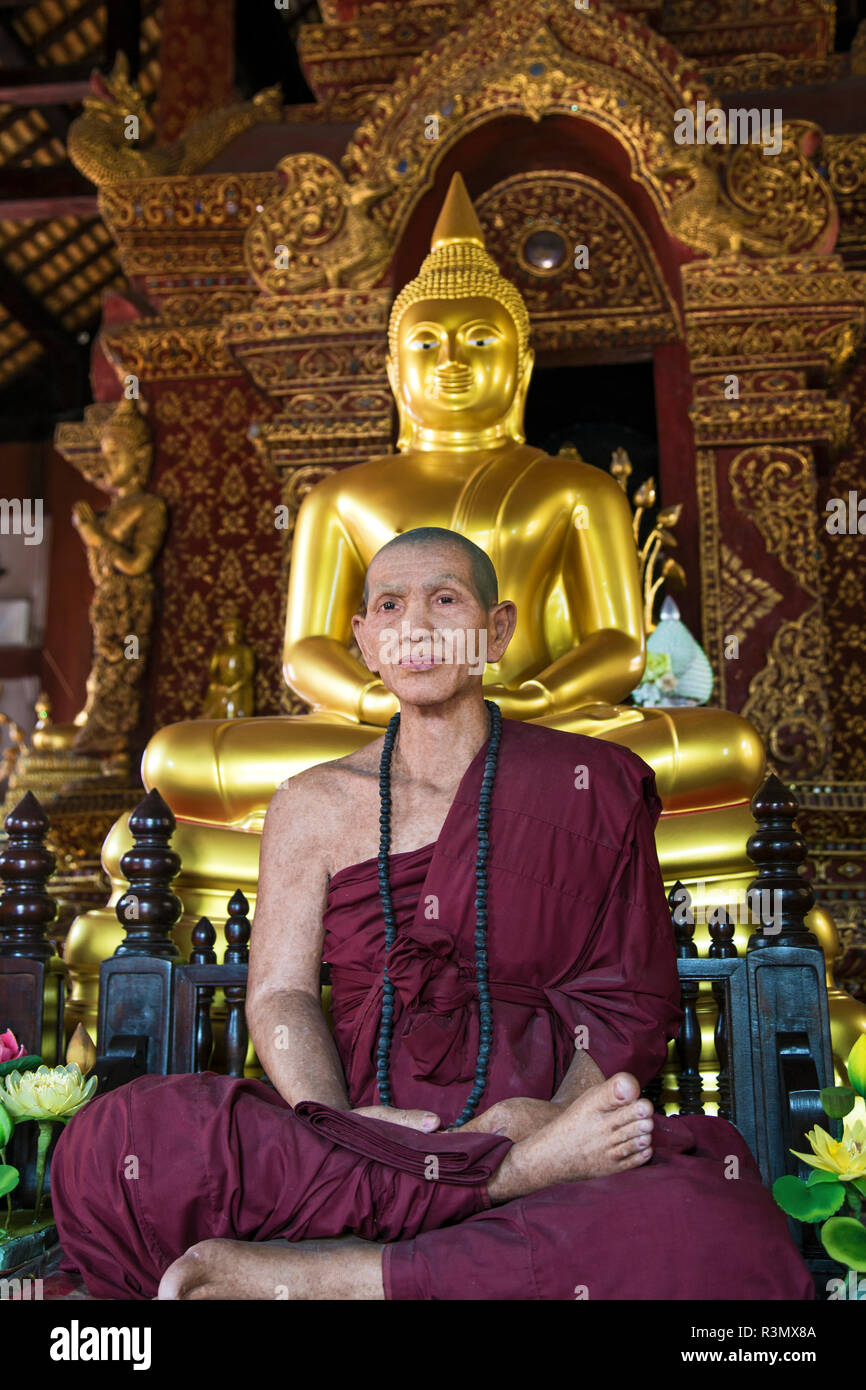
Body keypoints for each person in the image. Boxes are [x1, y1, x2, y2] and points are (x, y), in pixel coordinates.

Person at [50, 528, 813, 1300]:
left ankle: (337, 1278)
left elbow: (628, 1003)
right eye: (389, 605)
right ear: (365, 642)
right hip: (360, 1142)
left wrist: (553, 1119)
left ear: (499, 630)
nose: (415, 625)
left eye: (445, 600)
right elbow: (280, 993)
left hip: (539, 1130)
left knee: (709, 1221)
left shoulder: (592, 782)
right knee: (112, 1145)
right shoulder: (311, 804)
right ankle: (486, 1202)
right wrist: (337, 1126)